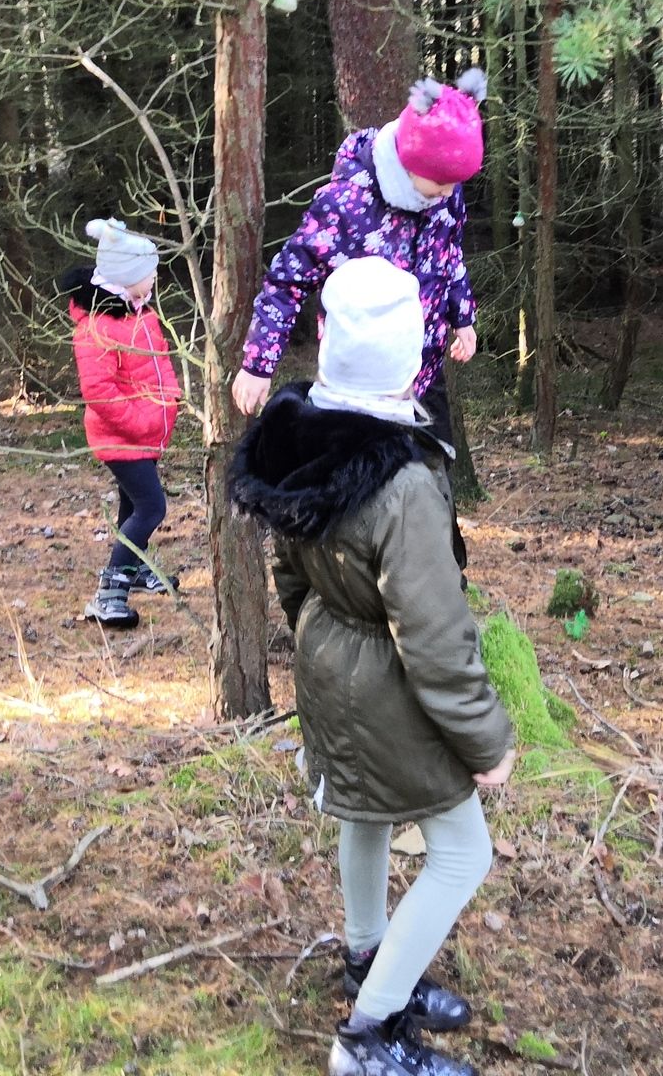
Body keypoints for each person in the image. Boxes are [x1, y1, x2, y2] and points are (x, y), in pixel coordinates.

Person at [230, 257, 515, 1076]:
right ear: (409, 356)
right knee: (463, 854)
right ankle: (367, 1037)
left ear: (329, 343)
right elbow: (436, 637)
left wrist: (321, 642)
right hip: (385, 683)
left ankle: (368, 959)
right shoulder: (403, 483)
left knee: (365, 815)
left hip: (329, 663)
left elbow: (290, 578)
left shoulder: (297, 440)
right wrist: (487, 742)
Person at [231, 70, 487, 562]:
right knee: (361, 495)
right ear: (410, 159)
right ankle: (351, 583)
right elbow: (287, 281)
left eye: (455, 184)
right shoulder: (346, 206)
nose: (447, 193)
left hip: (419, 375)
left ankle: (440, 574)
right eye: (439, 183)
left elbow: (450, 253)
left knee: (431, 478)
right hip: (358, 385)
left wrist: (462, 316)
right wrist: (258, 364)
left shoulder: (445, 195)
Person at [65, 217, 181, 631]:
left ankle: (137, 566)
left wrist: (168, 403)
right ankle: (109, 595)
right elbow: (99, 391)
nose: (154, 280)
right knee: (152, 507)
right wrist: (141, 421)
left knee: (133, 505)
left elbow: (160, 365)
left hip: (144, 433)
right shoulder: (98, 328)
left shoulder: (140, 314)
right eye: (149, 274)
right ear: (126, 278)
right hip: (122, 436)